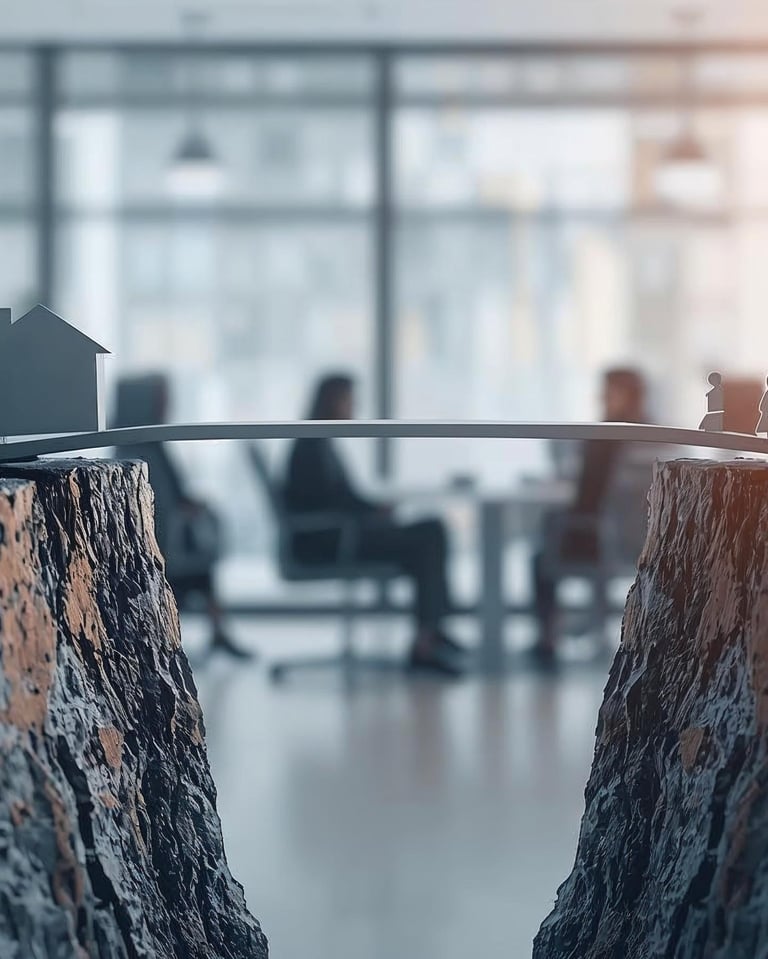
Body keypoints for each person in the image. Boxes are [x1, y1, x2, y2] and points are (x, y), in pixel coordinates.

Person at [283, 373, 466, 677]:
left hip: (338, 534)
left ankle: (431, 633)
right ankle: (428, 637)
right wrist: (371, 513)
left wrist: (374, 510)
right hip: (331, 542)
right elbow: (331, 503)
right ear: (331, 402)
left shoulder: (317, 442)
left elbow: (338, 497)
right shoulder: (310, 447)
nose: (354, 406)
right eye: (348, 400)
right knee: (431, 535)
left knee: (428, 538)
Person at [112, 374, 254, 661]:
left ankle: (217, 634)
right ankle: (204, 636)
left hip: (174, 538)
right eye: (161, 398)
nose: (167, 405)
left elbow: (174, 495)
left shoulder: (151, 441)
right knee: (201, 572)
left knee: (205, 570)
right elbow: (157, 504)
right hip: (162, 545)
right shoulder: (136, 445)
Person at [531, 367, 649, 667]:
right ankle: (577, 626)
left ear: (626, 394)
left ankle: (548, 636)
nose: (602, 396)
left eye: (609, 390)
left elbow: (586, 494)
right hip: (640, 538)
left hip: (599, 536)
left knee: (541, 548)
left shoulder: (606, 436)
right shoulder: (654, 434)